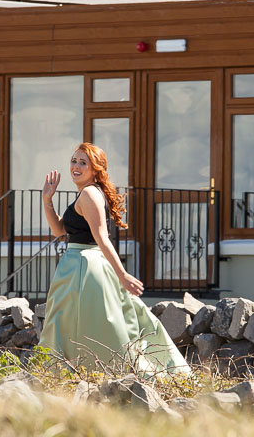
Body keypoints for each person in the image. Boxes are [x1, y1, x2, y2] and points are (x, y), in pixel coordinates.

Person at [38, 142, 190, 375]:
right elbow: (60, 231)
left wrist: (123, 275)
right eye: (74, 161)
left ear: (96, 169)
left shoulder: (89, 193)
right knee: (102, 323)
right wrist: (47, 200)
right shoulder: (88, 192)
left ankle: (77, 373)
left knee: (90, 326)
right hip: (79, 266)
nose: (76, 166)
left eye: (83, 162)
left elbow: (102, 238)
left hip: (83, 268)